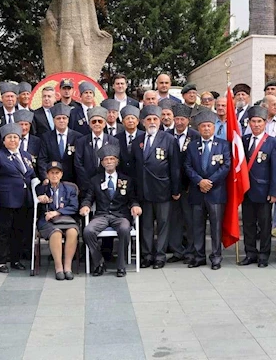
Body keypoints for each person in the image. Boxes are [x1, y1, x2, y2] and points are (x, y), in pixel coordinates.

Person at [82, 142, 141, 277]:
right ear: (102, 163)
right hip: (101, 215)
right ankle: (99, 262)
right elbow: (89, 198)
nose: (109, 162)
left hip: (120, 215)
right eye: (106, 159)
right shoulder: (95, 180)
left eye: (112, 159)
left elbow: (132, 198)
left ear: (117, 161)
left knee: (125, 229)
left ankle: (121, 266)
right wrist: (85, 206)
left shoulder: (127, 180)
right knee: (88, 231)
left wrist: (135, 206)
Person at [134, 105, 181, 269]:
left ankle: (160, 256)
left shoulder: (169, 139)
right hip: (144, 192)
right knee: (146, 226)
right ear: (143, 122)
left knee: (162, 225)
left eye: (155, 119)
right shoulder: (138, 140)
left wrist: (175, 190)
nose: (152, 122)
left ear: (160, 121)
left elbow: (175, 167)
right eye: (149, 119)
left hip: (163, 190)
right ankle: (147, 255)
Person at [0, 123, 37, 273]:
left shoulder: (26, 156)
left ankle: (15, 259)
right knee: (3, 232)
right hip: (5, 201)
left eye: (16, 137)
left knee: (18, 231)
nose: (13, 140)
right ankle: (2, 262)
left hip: (24, 201)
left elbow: (31, 175)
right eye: (10, 137)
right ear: (4, 140)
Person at [184, 110, 231, 269]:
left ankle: (216, 257)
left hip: (216, 192)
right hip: (197, 192)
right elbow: (188, 166)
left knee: (216, 227)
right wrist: (199, 181)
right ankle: (199, 256)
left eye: (209, 126)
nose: (206, 129)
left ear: (214, 127)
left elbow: (226, 166)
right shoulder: (192, 146)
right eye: (203, 126)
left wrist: (209, 181)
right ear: (198, 128)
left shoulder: (224, 145)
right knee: (197, 226)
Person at [239, 106, 276, 268]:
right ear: (249, 123)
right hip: (246, 190)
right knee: (248, 224)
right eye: (253, 121)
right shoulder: (243, 140)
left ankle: (264, 255)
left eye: (259, 122)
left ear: (265, 123)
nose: (256, 125)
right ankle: (250, 253)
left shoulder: (272, 142)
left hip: (264, 192)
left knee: (264, 225)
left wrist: (273, 191)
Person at [36, 161, 80, 280]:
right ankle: (58, 267)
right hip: (47, 222)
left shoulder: (70, 189)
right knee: (56, 233)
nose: (54, 176)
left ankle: (68, 267)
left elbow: (74, 207)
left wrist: (57, 212)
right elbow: (33, 205)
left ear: (61, 174)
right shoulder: (41, 188)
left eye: (57, 173)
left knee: (72, 232)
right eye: (51, 173)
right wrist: (39, 199)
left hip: (66, 219)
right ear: (47, 175)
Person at [168, 104, 199, 264]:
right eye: (177, 119)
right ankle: (177, 250)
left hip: (190, 186)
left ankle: (190, 251)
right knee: (174, 220)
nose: (179, 122)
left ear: (188, 120)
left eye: (183, 119)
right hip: (171, 186)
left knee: (190, 220)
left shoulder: (195, 136)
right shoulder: (165, 135)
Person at [37, 103, 83, 184]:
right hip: (52, 180)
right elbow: (42, 160)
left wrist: (80, 183)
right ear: (54, 120)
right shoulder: (46, 137)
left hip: (72, 181)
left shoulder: (78, 137)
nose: (61, 120)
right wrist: (45, 177)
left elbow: (80, 162)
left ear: (68, 120)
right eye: (58, 118)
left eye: (64, 118)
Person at [116, 106, 143, 181]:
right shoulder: (116, 138)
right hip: (123, 177)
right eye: (127, 118)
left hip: (140, 177)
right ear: (123, 122)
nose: (130, 121)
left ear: (137, 121)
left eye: (133, 118)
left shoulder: (144, 136)